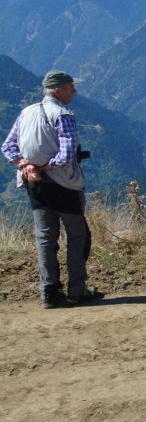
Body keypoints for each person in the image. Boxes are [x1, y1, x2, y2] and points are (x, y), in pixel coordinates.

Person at [2, 70, 99, 309]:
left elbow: (7, 146)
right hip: (64, 185)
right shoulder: (63, 114)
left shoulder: (26, 112)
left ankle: (48, 293)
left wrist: (26, 165)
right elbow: (66, 156)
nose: (74, 91)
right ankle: (77, 291)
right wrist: (46, 166)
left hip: (34, 186)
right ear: (58, 90)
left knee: (45, 239)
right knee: (78, 236)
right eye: (70, 87)